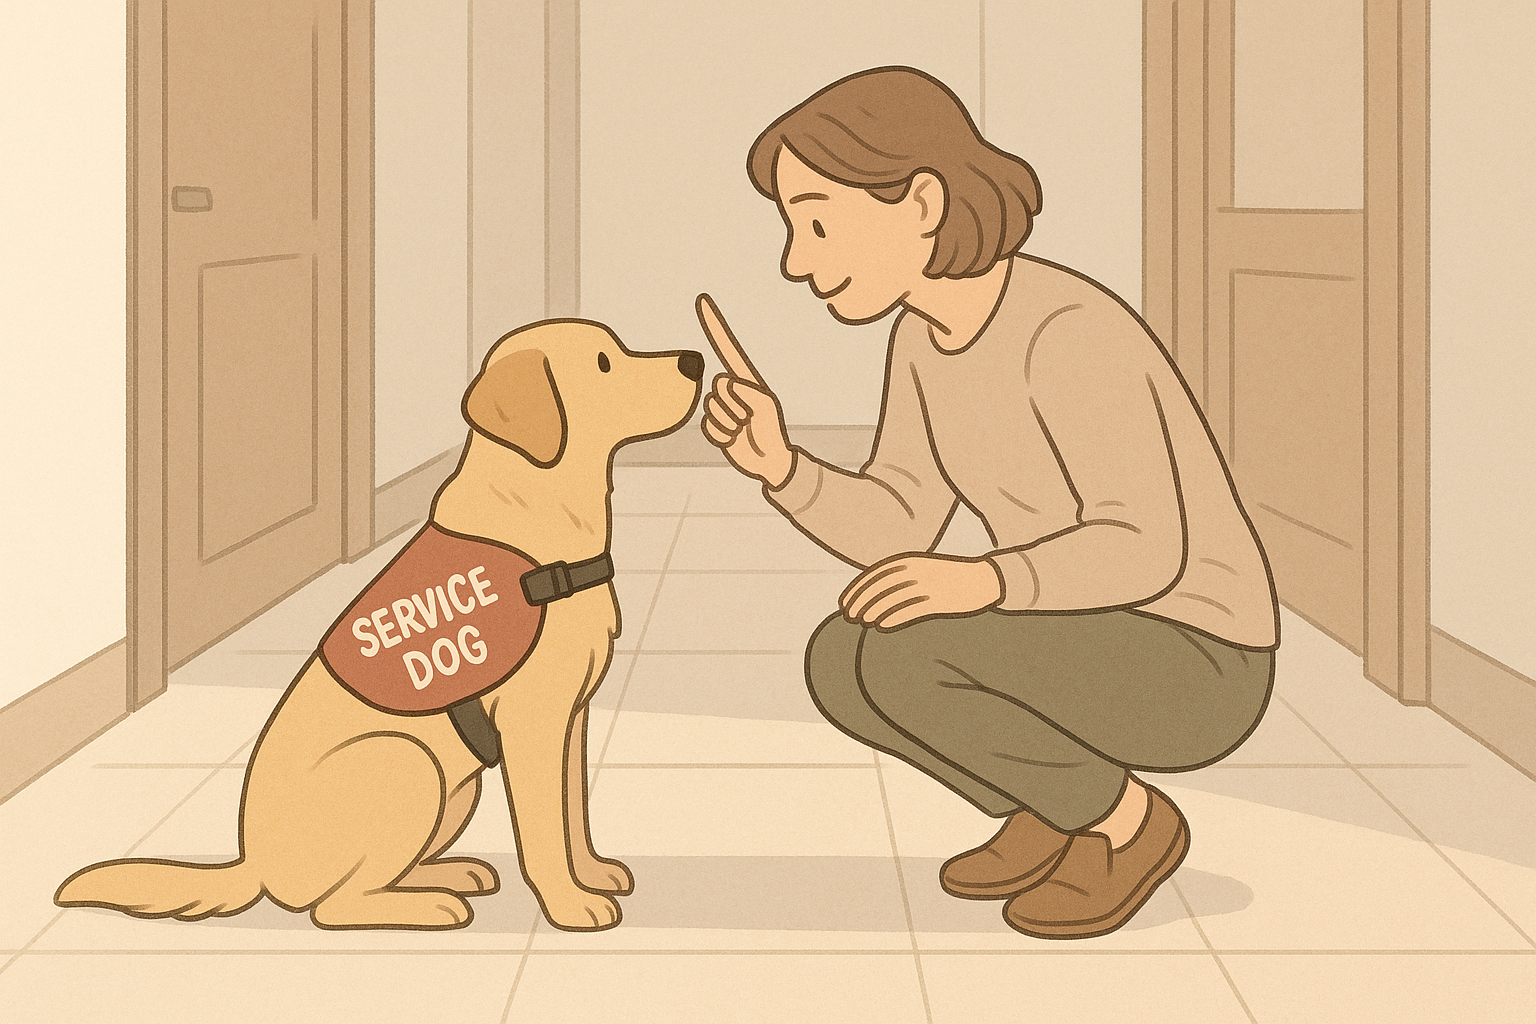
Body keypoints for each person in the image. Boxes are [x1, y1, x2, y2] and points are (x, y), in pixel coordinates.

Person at [695, 67, 1279, 940]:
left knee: (903, 661)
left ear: (921, 202)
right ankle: (1050, 805)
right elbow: (899, 516)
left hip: (1198, 656)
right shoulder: (924, 338)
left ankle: (1126, 826)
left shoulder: (1067, 330)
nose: (794, 260)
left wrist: (982, 582)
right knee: (841, 657)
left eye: (816, 222)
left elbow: (1146, 546)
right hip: (1077, 625)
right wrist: (782, 466)